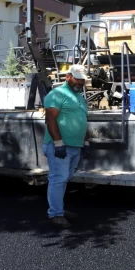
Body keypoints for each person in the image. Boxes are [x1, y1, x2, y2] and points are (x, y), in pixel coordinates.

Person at [43, 64, 91, 229]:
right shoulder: (57, 94)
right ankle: (55, 214)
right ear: (68, 76)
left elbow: (82, 120)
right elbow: (50, 119)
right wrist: (58, 142)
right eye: (77, 78)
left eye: (82, 79)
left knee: (64, 179)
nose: (80, 82)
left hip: (74, 146)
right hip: (60, 146)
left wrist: (85, 142)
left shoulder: (79, 97)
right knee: (58, 179)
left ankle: (59, 210)